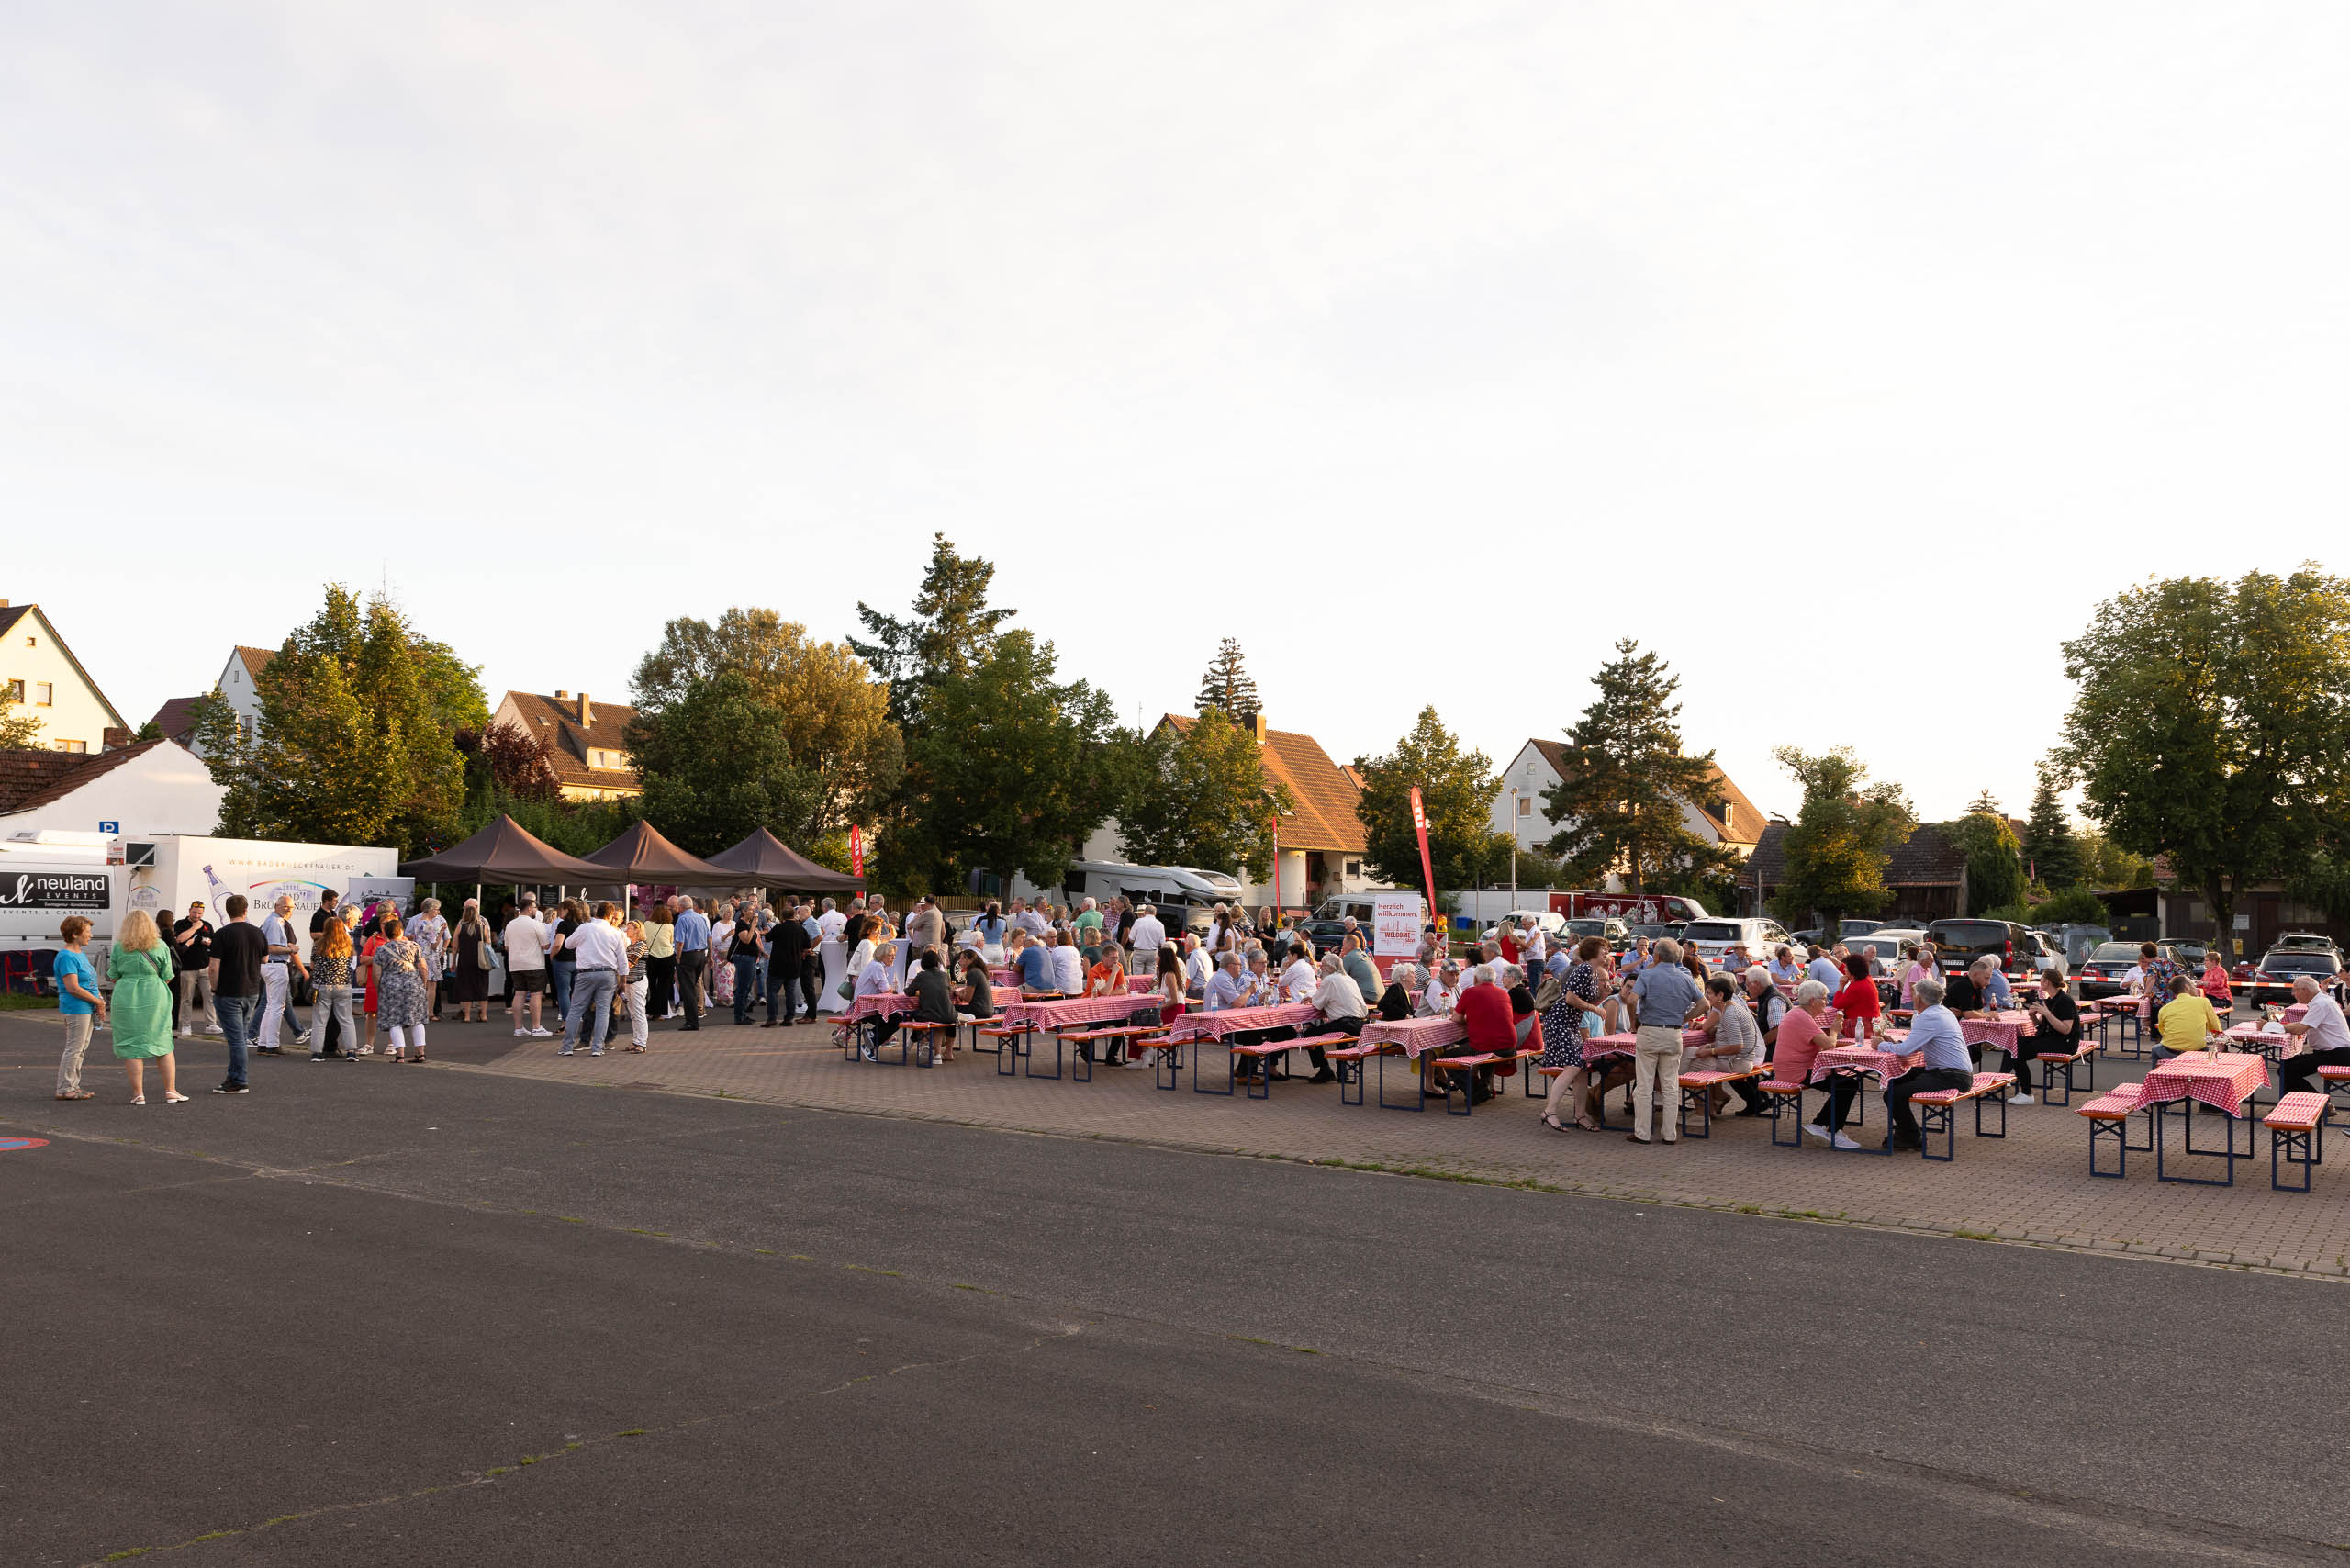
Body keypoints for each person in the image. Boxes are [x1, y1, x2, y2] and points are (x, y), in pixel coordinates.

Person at [1879, 980, 1976, 1151]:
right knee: (1897, 1079)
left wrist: (1880, 1045)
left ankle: (1910, 1135)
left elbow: (1906, 1050)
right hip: (1952, 1071)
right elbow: (1913, 1045)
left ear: (1920, 999)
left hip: (1951, 1075)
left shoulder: (1929, 1016)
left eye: (1914, 994)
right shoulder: (1943, 1012)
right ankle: (1906, 1131)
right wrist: (1895, 1043)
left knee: (1894, 1094)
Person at [1627, 938, 1704, 1145]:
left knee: (1644, 1085)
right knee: (1670, 1086)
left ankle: (1642, 1133)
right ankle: (1669, 1134)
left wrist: (1634, 1021)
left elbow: (1632, 1000)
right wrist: (1685, 1019)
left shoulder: (1648, 975)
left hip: (1649, 1031)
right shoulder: (1686, 978)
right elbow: (1704, 1004)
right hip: (1673, 1033)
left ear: (1657, 956)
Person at [106, 911, 183, 1103]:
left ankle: (138, 1094)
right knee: (163, 1042)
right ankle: (171, 1091)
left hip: (126, 995)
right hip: (155, 994)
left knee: (131, 1045)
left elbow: (113, 976)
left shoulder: (119, 948)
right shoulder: (160, 945)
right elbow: (168, 975)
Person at [1538, 935, 1610, 1133]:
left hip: (1569, 1024)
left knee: (1582, 1070)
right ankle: (1550, 1111)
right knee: (1572, 1067)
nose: (1606, 952)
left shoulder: (1594, 972)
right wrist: (1595, 1009)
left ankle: (1580, 1115)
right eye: (1603, 949)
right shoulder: (1586, 969)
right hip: (1560, 1023)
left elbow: (1585, 1002)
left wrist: (1602, 996)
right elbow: (1570, 998)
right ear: (1593, 951)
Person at [1776, 980, 1856, 1148]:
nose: (1826, 1003)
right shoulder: (1801, 1017)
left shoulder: (1800, 1014)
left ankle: (1822, 1125)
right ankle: (1831, 1131)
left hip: (1797, 1067)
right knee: (1847, 1085)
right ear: (1813, 1001)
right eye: (1824, 999)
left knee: (1846, 1082)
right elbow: (1829, 1046)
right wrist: (1834, 1030)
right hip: (1795, 1071)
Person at [207, 894, 265, 1094]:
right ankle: (233, 1077)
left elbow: (214, 967)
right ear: (246, 910)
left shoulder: (222, 934)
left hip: (229, 991)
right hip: (252, 990)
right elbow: (265, 958)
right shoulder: (257, 932)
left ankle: (239, 1080)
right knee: (240, 1035)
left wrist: (214, 988)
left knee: (236, 1039)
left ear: (227, 910)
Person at [1685, 972, 1762, 1120]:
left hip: (1738, 1063)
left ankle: (1700, 1114)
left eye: (1709, 994)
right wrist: (1710, 1047)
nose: (1706, 997)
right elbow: (1730, 1041)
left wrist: (1710, 1051)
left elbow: (1737, 1046)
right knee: (1690, 1052)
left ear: (1720, 995)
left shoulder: (1729, 1013)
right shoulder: (1729, 1008)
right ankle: (1708, 1108)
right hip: (1738, 1060)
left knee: (1691, 1066)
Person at [561, 902, 630, 1056]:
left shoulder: (585, 928)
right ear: (611, 915)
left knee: (576, 1010)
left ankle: (567, 1047)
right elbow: (622, 959)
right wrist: (623, 981)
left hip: (585, 972)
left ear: (596, 912)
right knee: (603, 1011)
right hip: (608, 974)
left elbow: (568, 944)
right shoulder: (615, 932)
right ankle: (597, 1048)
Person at [51, 914, 106, 1101]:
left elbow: (89, 981)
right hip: (76, 1007)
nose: (90, 935)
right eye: (88, 931)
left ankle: (73, 1085)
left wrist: (98, 1000)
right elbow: (73, 988)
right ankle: (65, 1087)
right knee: (74, 1048)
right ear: (75, 934)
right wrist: (98, 1001)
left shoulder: (79, 954)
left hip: (87, 1006)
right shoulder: (66, 956)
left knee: (81, 1048)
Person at [2012, 966, 2078, 1104]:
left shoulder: (2065, 1001)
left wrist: (2047, 1013)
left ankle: (2026, 1094)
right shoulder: (2050, 1000)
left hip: (2065, 1043)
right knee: (2014, 1043)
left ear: (2047, 982)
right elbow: (2041, 1027)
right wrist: (2033, 1017)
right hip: (2050, 1038)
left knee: (2018, 1052)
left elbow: (2066, 1029)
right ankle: (2007, 1081)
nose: (2039, 982)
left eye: (2041, 979)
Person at [2276, 975, 2350, 1094]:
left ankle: (2321, 1104)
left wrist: (2272, 1027)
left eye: (2295, 990)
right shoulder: (2321, 1000)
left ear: (2305, 990)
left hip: (2336, 1054)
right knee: (2286, 1065)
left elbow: (2300, 1029)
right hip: (2331, 1053)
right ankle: (2294, 1105)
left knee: (2287, 1070)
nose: (2293, 994)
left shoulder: (2320, 1003)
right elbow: (2303, 1024)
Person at [371, 914, 431, 1062]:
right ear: (401, 932)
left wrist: (380, 990)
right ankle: (420, 1053)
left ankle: (400, 1055)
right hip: (413, 985)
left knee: (394, 1020)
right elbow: (423, 968)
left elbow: (376, 974)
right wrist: (423, 984)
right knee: (417, 1019)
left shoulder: (381, 950)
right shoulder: (414, 946)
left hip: (391, 988)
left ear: (386, 933)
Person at [257, 892, 308, 1054]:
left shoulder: (275, 921)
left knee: (271, 1006)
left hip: (271, 966)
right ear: (276, 906)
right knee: (277, 1006)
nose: (288, 909)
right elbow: (271, 947)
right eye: (285, 906)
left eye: (291, 907)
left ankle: (264, 1043)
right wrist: (290, 949)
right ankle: (272, 1044)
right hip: (276, 965)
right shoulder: (274, 922)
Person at [308, 917, 360, 1061]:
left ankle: (317, 1053)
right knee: (346, 1019)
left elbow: (312, 966)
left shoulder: (319, 944)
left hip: (323, 986)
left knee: (320, 1021)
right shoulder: (348, 945)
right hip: (343, 985)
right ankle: (351, 1052)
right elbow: (350, 964)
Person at [502, 896, 552, 1036]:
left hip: (515, 964)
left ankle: (518, 1028)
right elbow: (545, 945)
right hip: (534, 964)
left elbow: (506, 946)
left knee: (519, 993)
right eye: (535, 907)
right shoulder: (536, 924)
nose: (536, 910)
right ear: (530, 908)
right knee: (536, 994)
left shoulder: (510, 924)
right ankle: (536, 1027)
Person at [2150, 971, 2225, 1064]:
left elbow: (2163, 1031)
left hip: (2170, 1052)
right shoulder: (2203, 1002)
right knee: (2209, 1048)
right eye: (2193, 984)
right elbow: (2216, 1028)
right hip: (2197, 1051)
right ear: (2187, 987)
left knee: (2155, 1050)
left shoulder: (2164, 1009)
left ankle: (2156, 1076)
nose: (2196, 987)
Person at [170, 901, 218, 1036]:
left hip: (204, 967)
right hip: (187, 968)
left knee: (209, 996)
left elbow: (212, 942)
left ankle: (211, 1024)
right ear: (189, 911)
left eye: (200, 913)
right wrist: (195, 928)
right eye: (194, 912)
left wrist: (207, 942)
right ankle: (186, 1025)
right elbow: (179, 939)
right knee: (187, 998)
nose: (197, 915)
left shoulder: (207, 925)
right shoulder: (180, 923)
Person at [448, 898, 493, 1023]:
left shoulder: (460, 926)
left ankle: (467, 1016)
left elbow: (455, 946)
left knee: (465, 986)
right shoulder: (483, 925)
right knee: (482, 986)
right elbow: (488, 942)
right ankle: (483, 1015)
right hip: (480, 960)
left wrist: (453, 962)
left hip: (465, 960)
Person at [673, 895, 711, 1031]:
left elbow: (680, 941)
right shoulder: (701, 918)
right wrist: (710, 956)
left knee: (687, 988)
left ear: (681, 906)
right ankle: (695, 1017)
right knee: (694, 985)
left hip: (687, 955)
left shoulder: (682, 919)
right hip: (701, 955)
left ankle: (692, 1022)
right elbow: (709, 938)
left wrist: (678, 956)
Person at [410, 897, 451, 1022]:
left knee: (421, 985)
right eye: (437, 909)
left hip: (420, 955)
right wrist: (441, 932)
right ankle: (429, 1012)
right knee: (431, 986)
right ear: (430, 909)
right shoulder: (429, 925)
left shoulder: (418, 922)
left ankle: (420, 1011)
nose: (438, 912)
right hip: (431, 957)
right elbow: (434, 945)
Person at [724, 907, 765, 1025]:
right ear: (744, 912)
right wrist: (753, 926)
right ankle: (739, 1016)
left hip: (751, 958)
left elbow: (754, 940)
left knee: (747, 987)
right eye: (751, 910)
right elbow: (746, 940)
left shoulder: (748, 923)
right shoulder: (741, 924)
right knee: (742, 987)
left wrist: (762, 951)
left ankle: (742, 1014)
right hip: (743, 958)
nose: (753, 912)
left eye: (754, 910)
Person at [618, 917, 652, 1052]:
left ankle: (641, 1043)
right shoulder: (630, 946)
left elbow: (630, 962)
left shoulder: (641, 945)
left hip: (638, 981)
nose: (626, 930)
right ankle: (636, 1040)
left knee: (639, 1012)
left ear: (637, 930)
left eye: (629, 928)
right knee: (633, 1013)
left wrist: (619, 963)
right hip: (629, 982)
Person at [1832, 953, 1881, 1040]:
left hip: (1859, 1029)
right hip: (1871, 1025)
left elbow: (1837, 1004)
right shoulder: (1866, 978)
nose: (1844, 969)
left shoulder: (1857, 987)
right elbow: (1844, 969)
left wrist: (1841, 985)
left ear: (1853, 970)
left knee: (1831, 1029)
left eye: (1846, 967)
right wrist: (1829, 957)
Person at [1340, 935, 1381, 1009]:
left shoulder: (1349, 957)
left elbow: (1338, 978)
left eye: (1343, 945)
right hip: (1380, 997)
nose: (1342, 948)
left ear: (1349, 946)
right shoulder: (1363, 954)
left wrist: (1340, 959)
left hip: (1368, 998)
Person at [1049, 929, 1085, 997]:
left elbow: (1052, 971)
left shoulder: (1056, 951)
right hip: (1078, 987)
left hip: (1063, 989)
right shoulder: (1075, 950)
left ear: (1058, 940)